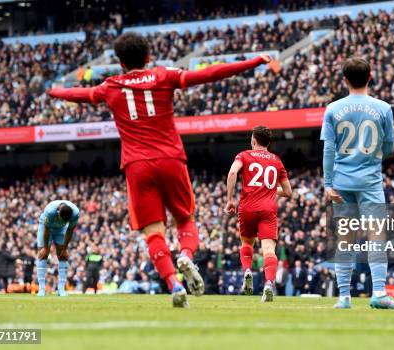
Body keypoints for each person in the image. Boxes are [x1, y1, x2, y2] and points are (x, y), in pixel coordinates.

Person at [49, 32, 271, 307]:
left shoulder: (110, 86)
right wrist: (253, 61)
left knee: (154, 232)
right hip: (171, 159)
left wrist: (52, 91)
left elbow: (79, 95)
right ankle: (187, 256)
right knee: (185, 219)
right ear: (148, 57)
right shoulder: (164, 76)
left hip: (137, 166)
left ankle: (174, 285)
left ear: (120, 63)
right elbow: (212, 73)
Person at [320, 57, 394, 310]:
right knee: (376, 236)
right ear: (371, 77)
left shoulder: (332, 109)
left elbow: (329, 150)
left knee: (345, 239)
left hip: (341, 182)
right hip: (370, 181)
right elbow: (390, 147)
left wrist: (328, 183)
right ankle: (378, 292)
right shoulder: (383, 108)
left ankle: (344, 297)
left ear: (344, 80)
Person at [225, 126, 292, 302]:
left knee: (246, 242)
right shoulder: (277, 161)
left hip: (247, 207)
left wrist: (230, 199)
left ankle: (247, 271)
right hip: (268, 210)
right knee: (269, 250)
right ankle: (269, 284)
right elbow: (288, 192)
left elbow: (233, 172)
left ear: (253, 140)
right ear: (268, 142)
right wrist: (269, 189)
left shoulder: (244, 155)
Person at [36, 200, 80, 297]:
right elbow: (46, 230)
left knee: (63, 256)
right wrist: (46, 248)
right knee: (42, 254)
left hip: (61, 230)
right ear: (58, 212)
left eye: (65, 221)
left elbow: (70, 231)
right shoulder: (50, 211)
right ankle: (41, 289)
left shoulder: (75, 213)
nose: (62, 222)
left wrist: (65, 249)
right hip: (45, 228)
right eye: (61, 219)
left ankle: (61, 289)